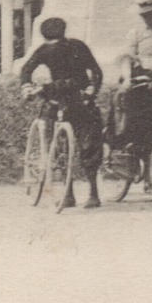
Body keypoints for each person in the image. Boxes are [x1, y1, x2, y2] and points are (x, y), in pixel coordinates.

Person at [19, 17, 105, 209]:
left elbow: (93, 72)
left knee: (85, 145)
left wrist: (91, 90)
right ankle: (74, 194)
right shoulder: (68, 46)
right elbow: (26, 70)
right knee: (66, 146)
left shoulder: (64, 48)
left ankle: (89, 194)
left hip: (77, 98)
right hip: (66, 98)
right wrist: (27, 86)